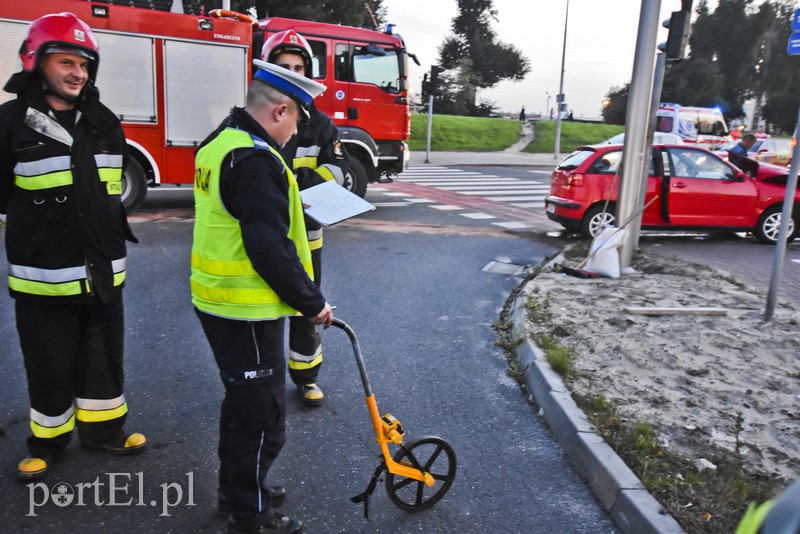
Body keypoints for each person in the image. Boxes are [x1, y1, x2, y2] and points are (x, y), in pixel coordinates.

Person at [0, 12, 146, 481]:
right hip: (43, 277)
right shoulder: (10, 123)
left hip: (102, 271)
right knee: (48, 363)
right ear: (36, 62)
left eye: (84, 65)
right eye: (66, 62)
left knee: (104, 358)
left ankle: (104, 431)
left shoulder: (104, 122)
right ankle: (47, 441)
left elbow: (109, 191)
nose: (77, 73)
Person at [191, 58, 334, 534]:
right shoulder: (255, 159)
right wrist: (312, 303)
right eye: (297, 119)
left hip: (219, 301)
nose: (295, 132)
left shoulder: (220, 142)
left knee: (241, 406)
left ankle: (236, 492)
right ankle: (251, 515)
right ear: (279, 111)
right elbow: (268, 247)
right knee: (262, 419)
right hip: (245, 308)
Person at [262, 30, 350, 408]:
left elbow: (339, 173)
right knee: (264, 310)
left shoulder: (321, 126)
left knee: (306, 307)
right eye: (284, 66)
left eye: (299, 68)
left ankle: (306, 376)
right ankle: (263, 378)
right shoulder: (255, 118)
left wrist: (296, 181)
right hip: (263, 235)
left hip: (307, 238)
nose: (292, 73)